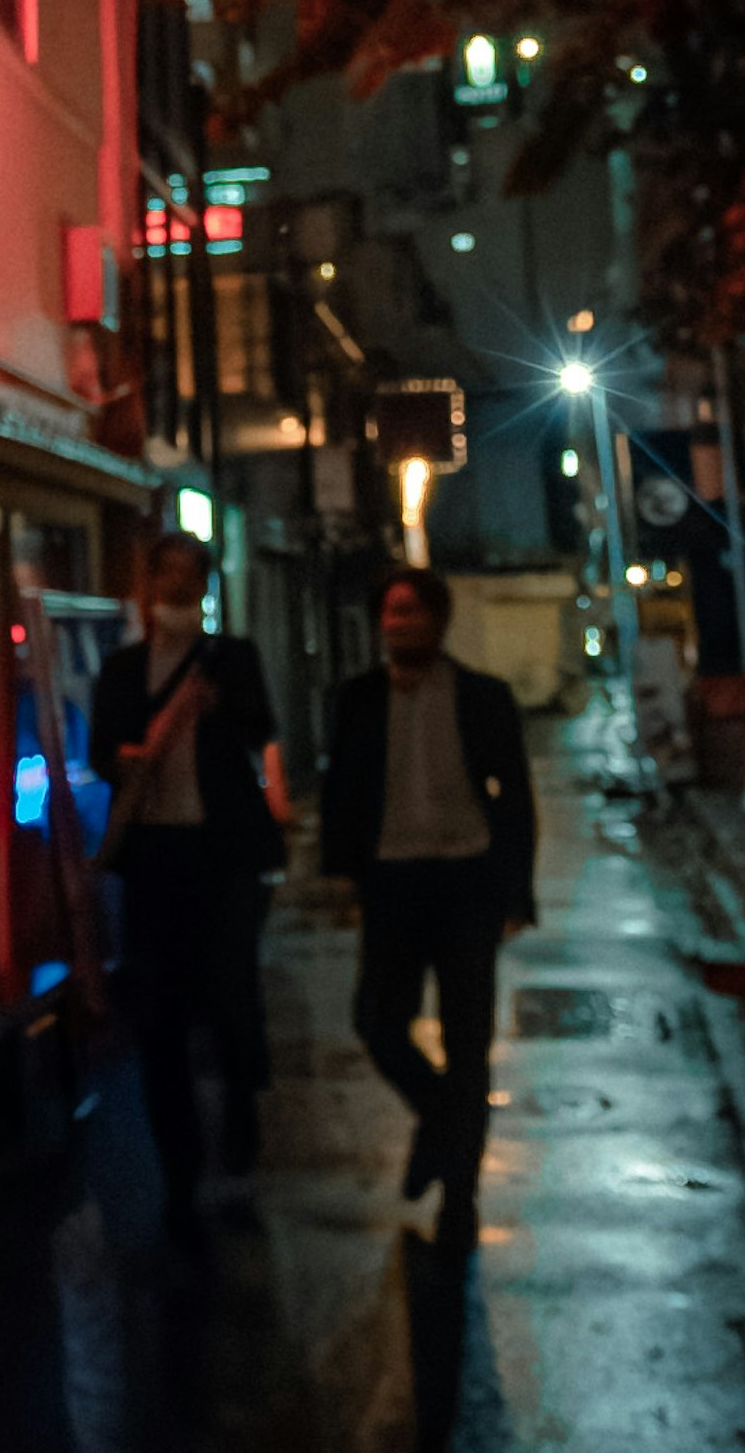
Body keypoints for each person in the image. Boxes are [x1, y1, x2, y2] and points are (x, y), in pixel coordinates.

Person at [319, 565, 536, 1238]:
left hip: (466, 881)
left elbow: (516, 799)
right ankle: (441, 1121)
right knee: (378, 1023)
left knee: (469, 1041)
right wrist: (341, 874)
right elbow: (342, 791)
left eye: (410, 612)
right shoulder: (356, 699)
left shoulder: (485, 697)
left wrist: (516, 891)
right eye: (389, 613)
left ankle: (460, 1196)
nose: (398, 623)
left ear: (438, 622)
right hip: (393, 884)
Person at [85, 531, 287, 1244]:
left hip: (221, 851)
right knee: (159, 1011)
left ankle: (238, 1110)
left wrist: (215, 705)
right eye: (162, 575)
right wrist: (141, 744)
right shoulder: (121, 668)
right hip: (154, 855)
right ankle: (178, 1166)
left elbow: (261, 726)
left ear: (202, 584)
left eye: (184, 576)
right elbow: (103, 752)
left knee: (230, 992)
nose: (173, 588)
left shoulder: (229, 657)